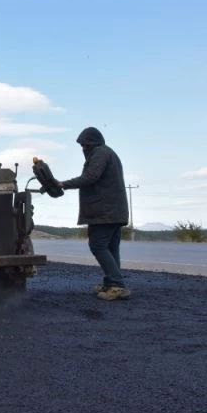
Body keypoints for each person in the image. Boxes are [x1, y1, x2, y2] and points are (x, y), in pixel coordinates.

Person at [57, 127, 131, 300]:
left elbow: (90, 177)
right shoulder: (107, 152)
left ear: (94, 143)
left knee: (97, 245)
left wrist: (63, 184)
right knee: (111, 248)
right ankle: (112, 283)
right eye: (82, 146)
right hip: (114, 211)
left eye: (86, 145)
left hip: (105, 212)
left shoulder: (100, 153)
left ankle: (117, 285)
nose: (84, 148)